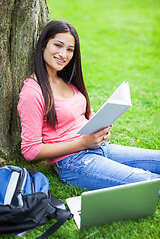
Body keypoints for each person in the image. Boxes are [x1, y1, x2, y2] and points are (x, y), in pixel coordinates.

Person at [17, 20, 160, 196]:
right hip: (73, 162)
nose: (64, 54)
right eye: (58, 45)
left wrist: (101, 127)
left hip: (98, 148)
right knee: (150, 183)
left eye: (70, 49)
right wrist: (82, 143)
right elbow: (30, 151)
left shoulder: (67, 80)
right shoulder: (32, 92)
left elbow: (83, 115)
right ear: (43, 45)